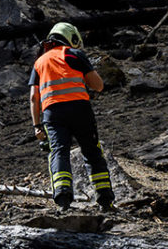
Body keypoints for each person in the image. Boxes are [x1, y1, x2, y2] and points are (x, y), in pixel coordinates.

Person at [29, 22, 115, 211]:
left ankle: (63, 199)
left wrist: (37, 126)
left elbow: (34, 98)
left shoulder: (39, 62)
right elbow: (98, 85)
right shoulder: (74, 54)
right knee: (92, 152)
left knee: (59, 152)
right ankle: (105, 199)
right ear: (71, 38)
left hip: (52, 114)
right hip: (80, 110)